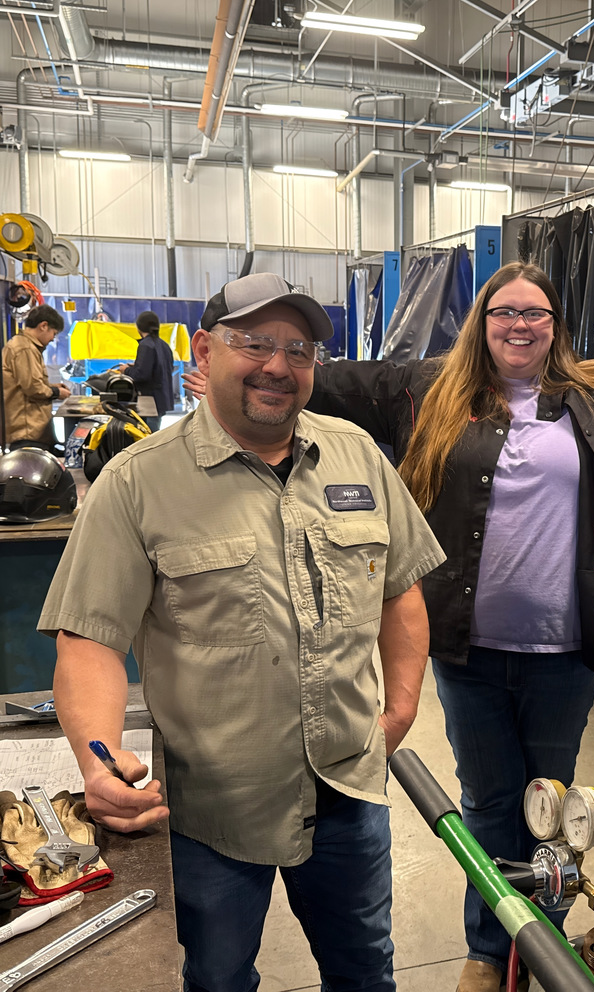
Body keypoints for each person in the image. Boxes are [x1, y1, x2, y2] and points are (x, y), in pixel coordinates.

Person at [186, 261, 594, 992]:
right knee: (488, 804)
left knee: (552, 804)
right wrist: (238, 376)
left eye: (536, 313)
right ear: (482, 324)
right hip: (465, 647)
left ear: (557, 327)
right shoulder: (426, 390)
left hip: (565, 649)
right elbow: (315, 378)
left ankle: (535, 946)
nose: (520, 325)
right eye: (504, 312)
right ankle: (490, 951)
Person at [39, 272, 446, 992]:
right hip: (212, 813)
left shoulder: (356, 457)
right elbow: (91, 639)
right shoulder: (137, 484)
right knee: (220, 979)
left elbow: (401, 589)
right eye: (254, 342)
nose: (278, 366)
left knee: (364, 973)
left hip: (348, 793)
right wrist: (98, 762)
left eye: (299, 349)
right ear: (203, 350)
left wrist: (403, 707)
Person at [2, 304, 71, 451]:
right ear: (44, 326)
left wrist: (53, 386)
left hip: (33, 432)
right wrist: (57, 393)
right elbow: (33, 388)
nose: (53, 339)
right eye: (54, 333)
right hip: (27, 433)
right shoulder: (24, 348)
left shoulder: (27, 346)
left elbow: (29, 382)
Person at [118, 309, 175, 431]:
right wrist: (137, 365)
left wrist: (126, 370)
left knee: (147, 439)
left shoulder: (145, 345)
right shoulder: (164, 345)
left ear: (139, 328)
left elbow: (141, 375)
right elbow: (158, 368)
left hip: (149, 402)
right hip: (161, 400)